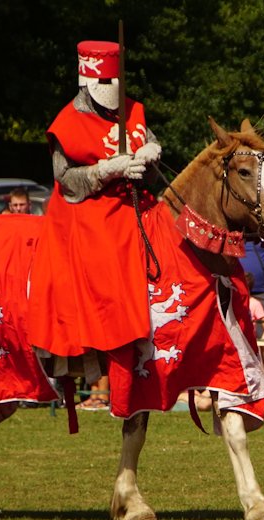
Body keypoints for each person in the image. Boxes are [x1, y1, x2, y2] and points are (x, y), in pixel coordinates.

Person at [27, 40, 163, 365]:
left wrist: (151, 151)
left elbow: (148, 138)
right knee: (106, 253)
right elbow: (67, 180)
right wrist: (108, 169)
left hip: (138, 201)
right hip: (87, 208)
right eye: (103, 82)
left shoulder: (133, 110)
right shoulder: (67, 123)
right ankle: (112, 337)